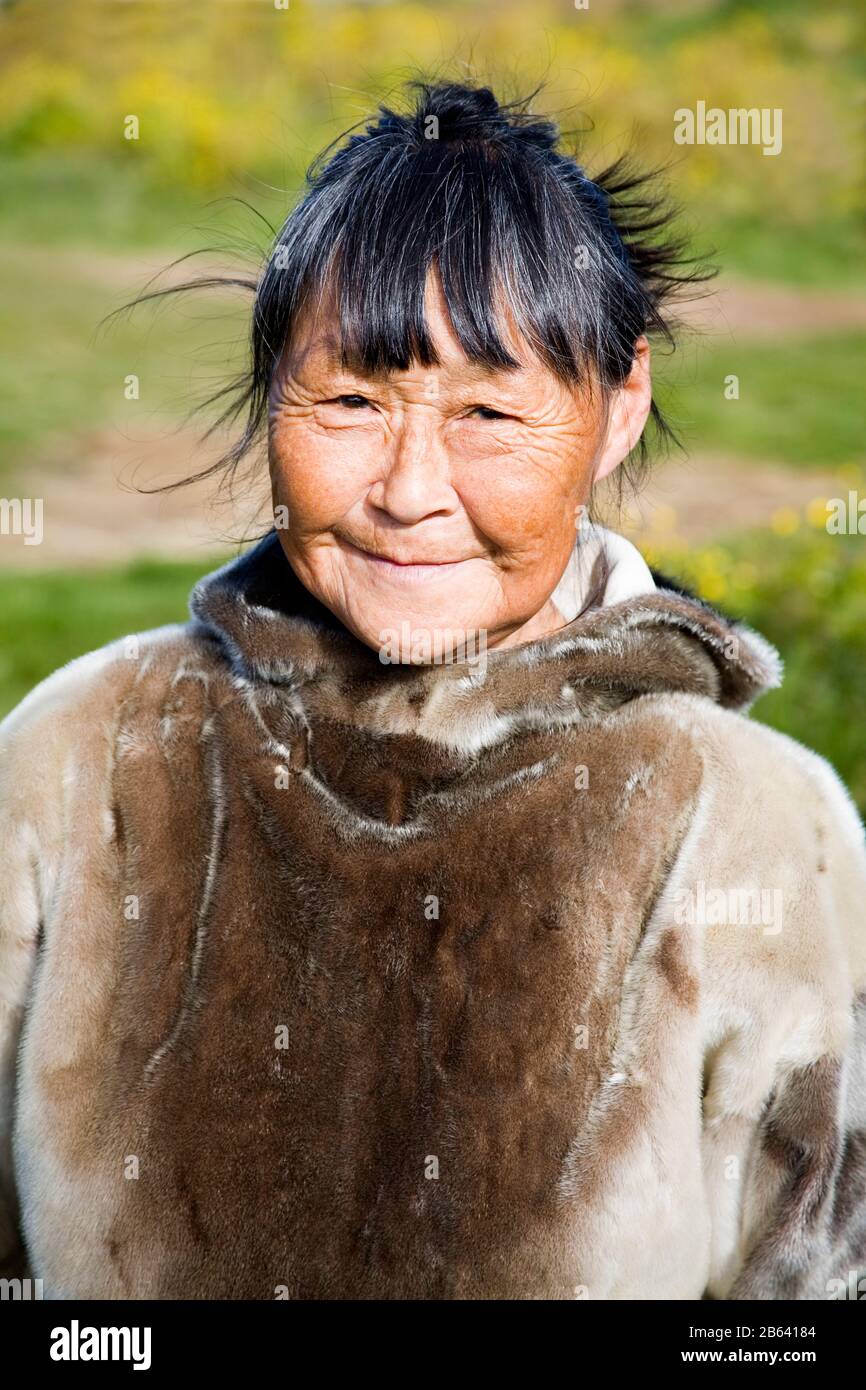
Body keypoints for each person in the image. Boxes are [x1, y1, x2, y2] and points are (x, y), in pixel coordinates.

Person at [1, 81, 864, 1300]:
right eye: (349, 400)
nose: (407, 490)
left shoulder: (750, 821)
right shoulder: (79, 754)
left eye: (487, 411)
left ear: (619, 407)